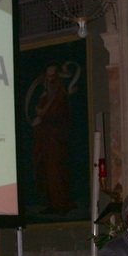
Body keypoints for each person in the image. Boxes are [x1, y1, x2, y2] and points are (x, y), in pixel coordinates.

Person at [32, 65, 76, 215]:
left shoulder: (60, 96)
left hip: (56, 141)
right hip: (45, 140)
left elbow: (59, 117)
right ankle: (51, 203)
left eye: (53, 76)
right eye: (48, 76)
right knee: (46, 172)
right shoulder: (45, 96)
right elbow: (38, 112)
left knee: (56, 172)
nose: (50, 79)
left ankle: (60, 203)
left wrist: (43, 115)